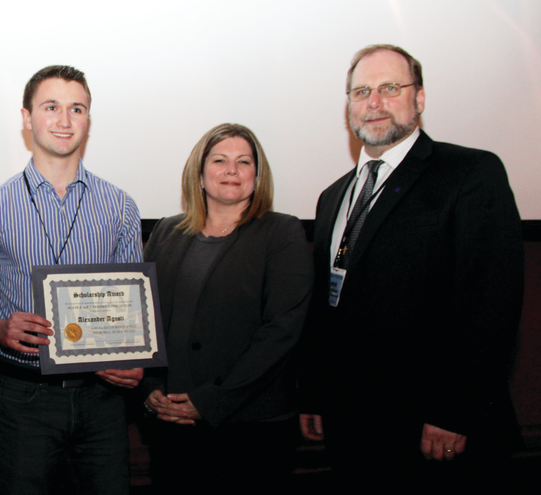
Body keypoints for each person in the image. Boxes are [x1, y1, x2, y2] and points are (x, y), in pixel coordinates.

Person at [298, 44, 524, 484]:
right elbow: (329, 306)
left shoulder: (470, 173)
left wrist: (455, 411)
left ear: (419, 99)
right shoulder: (333, 196)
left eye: (389, 88)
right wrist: (315, 392)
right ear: (348, 106)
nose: (374, 102)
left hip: (432, 428)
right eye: (361, 91)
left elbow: (491, 303)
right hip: (352, 427)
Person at [0, 65, 144, 495]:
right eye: (51, 107)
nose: (64, 121)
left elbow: (133, 317)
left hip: (103, 400)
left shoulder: (121, 208)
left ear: (88, 120)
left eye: (76, 109)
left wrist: (136, 361)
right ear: (27, 117)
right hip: (24, 399)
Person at [140, 123, 312, 490]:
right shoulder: (167, 232)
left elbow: (282, 331)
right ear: (199, 175)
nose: (231, 170)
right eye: (219, 160)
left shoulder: (282, 233)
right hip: (172, 423)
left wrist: (211, 400)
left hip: (251, 429)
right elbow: (146, 318)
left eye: (244, 162)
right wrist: (150, 388)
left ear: (257, 175)